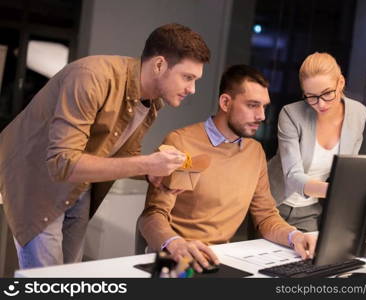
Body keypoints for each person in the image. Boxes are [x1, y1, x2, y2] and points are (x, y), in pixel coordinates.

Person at [0, 23, 211, 269]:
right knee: (48, 281)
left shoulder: (153, 102)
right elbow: (62, 162)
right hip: (37, 180)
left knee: (71, 274)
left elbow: (124, 152)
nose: (192, 89)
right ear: (159, 65)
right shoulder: (91, 77)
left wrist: (151, 172)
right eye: (188, 77)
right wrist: (147, 163)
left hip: (79, 184)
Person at [138, 65, 316, 273]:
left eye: (264, 107)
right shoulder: (180, 142)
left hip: (222, 260)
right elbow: (152, 215)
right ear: (225, 102)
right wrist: (175, 243)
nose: (261, 116)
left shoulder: (254, 152)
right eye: (252, 105)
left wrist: (295, 236)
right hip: (177, 257)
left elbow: (266, 215)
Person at [267, 52, 366, 232]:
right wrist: (337, 191)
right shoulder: (291, 114)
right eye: (311, 96)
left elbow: (348, 169)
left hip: (310, 211)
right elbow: (293, 177)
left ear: (341, 83)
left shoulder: (358, 113)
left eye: (327, 93)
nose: (320, 104)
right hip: (271, 206)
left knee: (311, 258)